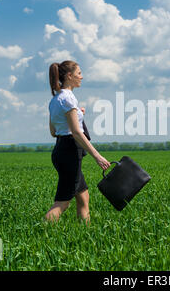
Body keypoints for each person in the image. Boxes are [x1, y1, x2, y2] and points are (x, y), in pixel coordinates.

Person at [46, 60, 111, 223]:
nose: (82, 77)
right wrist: (97, 156)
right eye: (79, 73)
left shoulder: (55, 100)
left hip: (61, 150)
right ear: (69, 76)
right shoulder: (68, 99)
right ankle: (39, 233)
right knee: (63, 202)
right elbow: (76, 132)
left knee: (83, 198)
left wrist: (77, 114)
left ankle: (86, 235)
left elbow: (54, 132)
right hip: (70, 152)